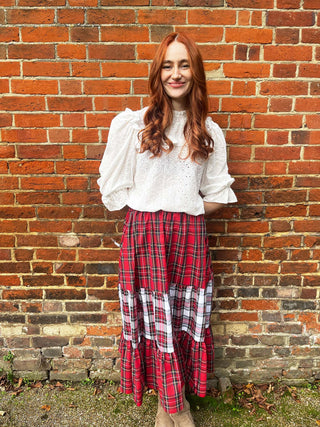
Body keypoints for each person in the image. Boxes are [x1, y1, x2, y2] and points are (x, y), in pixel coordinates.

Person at [98, 32, 237, 427]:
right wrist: (153, 209)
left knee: (180, 320)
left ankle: (174, 405)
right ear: (157, 73)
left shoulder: (208, 131)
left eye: (183, 65)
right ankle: (172, 407)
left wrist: (186, 206)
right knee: (153, 319)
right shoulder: (134, 126)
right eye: (167, 65)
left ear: (195, 72)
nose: (175, 74)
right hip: (144, 234)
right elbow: (113, 189)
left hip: (188, 234)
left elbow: (217, 193)